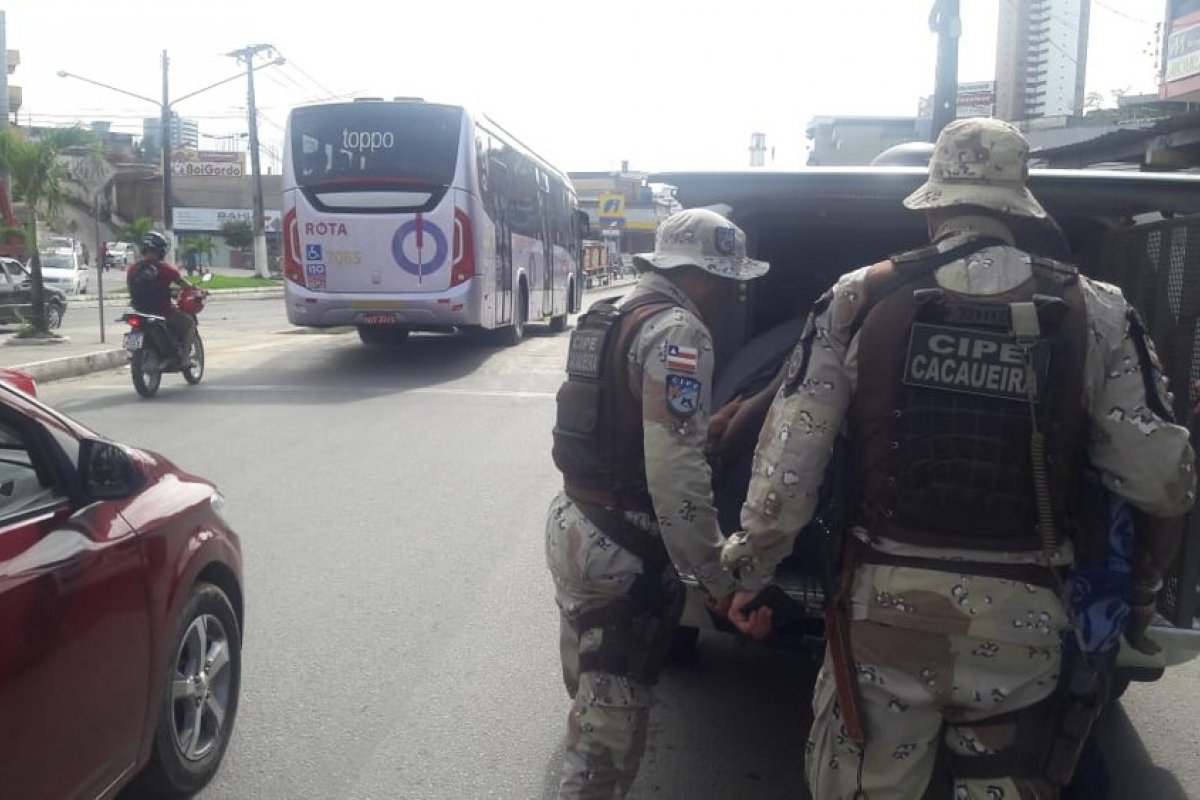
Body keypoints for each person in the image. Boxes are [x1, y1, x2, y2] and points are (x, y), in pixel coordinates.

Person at [719, 118, 1196, 800]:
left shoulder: (860, 296)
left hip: (883, 615)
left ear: (934, 203)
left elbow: (790, 465)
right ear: (1020, 207)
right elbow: (1159, 480)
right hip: (1027, 621)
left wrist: (749, 569)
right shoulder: (1098, 310)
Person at [546, 208, 769, 799]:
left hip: (576, 522)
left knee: (591, 696)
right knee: (605, 740)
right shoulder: (678, 331)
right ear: (700, 275)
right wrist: (718, 581)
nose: (730, 293)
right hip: (624, 543)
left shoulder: (608, 314)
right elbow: (674, 474)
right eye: (726, 280)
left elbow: (615, 423)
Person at [126, 231, 197, 361]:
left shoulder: (133, 269)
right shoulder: (166, 270)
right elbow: (185, 285)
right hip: (163, 313)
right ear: (161, 250)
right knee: (189, 323)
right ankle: (185, 359)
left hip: (139, 311)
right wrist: (195, 288)